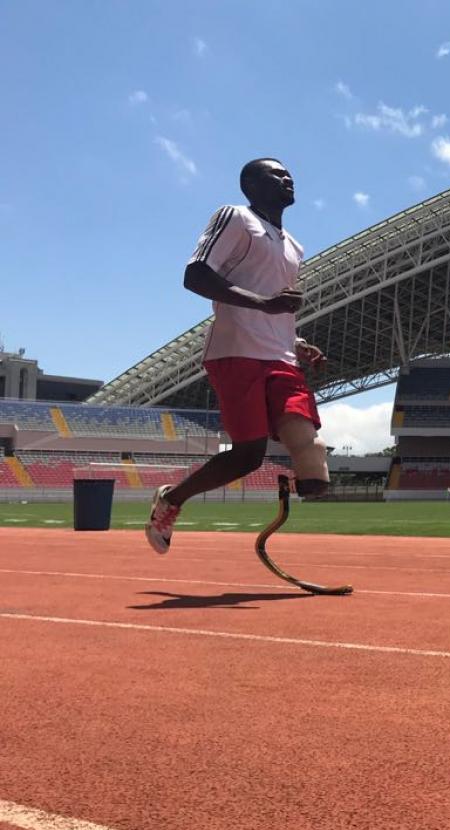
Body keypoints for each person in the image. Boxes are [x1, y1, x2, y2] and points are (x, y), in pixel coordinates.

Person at [145, 158, 330, 553]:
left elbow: (274, 304)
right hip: (237, 351)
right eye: (275, 174)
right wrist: (265, 304)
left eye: (289, 174)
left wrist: (296, 341)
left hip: (281, 356)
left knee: (310, 454)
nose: (288, 178)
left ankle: (307, 484)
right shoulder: (235, 217)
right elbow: (195, 274)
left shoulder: (294, 246)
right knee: (248, 457)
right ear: (250, 185)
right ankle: (171, 499)